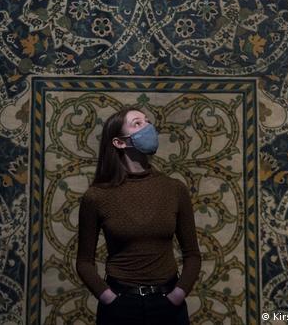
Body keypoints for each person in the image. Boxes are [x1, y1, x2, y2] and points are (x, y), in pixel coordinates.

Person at [76, 107, 201, 325]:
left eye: (147, 121)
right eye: (137, 123)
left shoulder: (174, 189)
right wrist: (109, 299)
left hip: (168, 304)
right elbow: (84, 262)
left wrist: (178, 295)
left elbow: (192, 254)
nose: (149, 127)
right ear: (119, 142)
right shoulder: (96, 196)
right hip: (120, 305)